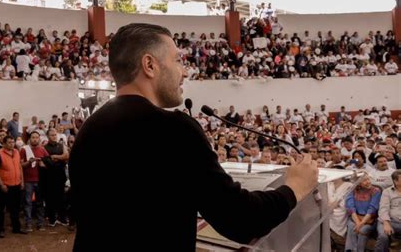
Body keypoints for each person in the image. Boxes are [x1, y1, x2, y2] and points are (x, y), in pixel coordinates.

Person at [70, 23, 319, 251]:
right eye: (178, 60)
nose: (185, 72)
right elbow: (241, 219)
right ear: (150, 65)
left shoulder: (88, 130)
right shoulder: (174, 129)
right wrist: (295, 187)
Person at [345, 174, 381, 252]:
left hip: (369, 220)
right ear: (358, 183)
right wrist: (358, 223)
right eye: (364, 180)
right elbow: (351, 208)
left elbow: (372, 209)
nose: (368, 182)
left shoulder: (376, 191)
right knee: (351, 227)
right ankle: (351, 250)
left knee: (362, 230)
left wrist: (361, 224)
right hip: (355, 218)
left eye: (368, 179)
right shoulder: (351, 190)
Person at [375, 170, 401, 252]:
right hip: (389, 220)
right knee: (383, 236)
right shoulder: (387, 192)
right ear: (395, 181)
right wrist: (386, 223)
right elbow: (383, 208)